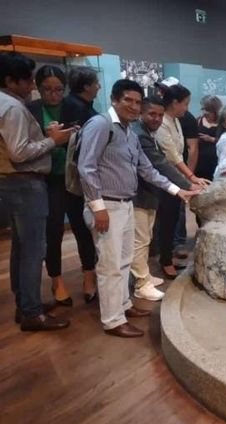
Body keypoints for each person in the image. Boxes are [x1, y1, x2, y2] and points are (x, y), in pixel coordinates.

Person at [78, 79, 201, 338]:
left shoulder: (129, 133)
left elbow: (147, 170)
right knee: (110, 265)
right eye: (128, 100)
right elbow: (86, 167)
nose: (134, 107)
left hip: (125, 204)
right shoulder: (101, 125)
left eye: (137, 102)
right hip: (107, 205)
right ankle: (113, 320)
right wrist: (98, 207)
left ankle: (123, 306)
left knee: (124, 261)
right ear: (114, 99)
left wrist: (177, 190)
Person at [0, 52, 74, 331]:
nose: (32, 85)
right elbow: (19, 152)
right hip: (25, 182)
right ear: (10, 80)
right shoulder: (13, 108)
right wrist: (53, 141)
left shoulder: (7, 104)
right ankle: (31, 312)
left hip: (13, 183)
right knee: (33, 249)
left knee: (21, 247)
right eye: (28, 80)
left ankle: (25, 303)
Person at [27, 65, 99, 307]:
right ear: (38, 88)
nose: (53, 94)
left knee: (82, 227)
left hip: (75, 176)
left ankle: (89, 275)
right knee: (53, 230)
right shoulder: (31, 110)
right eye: (47, 89)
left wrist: (71, 137)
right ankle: (56, 280)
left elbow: (91, 141)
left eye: (58, 89)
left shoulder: (76, 107)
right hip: (47, 178)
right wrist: (50, 139)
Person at [131, 96, 201, 300]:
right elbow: (159, 164)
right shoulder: (140, 134)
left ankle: (143, 275)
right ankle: (141, 284)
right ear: (141, 113)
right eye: (151, 114)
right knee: (140, 240)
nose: (156, 118)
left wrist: (183, 184)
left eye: (159, 115)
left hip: (151, 190)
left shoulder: (148, 131)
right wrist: (187, 184)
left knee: (145, 237)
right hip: (137, 194)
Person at [155, 84, 209, 279]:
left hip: (175, 176)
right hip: (164, 177)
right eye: (185, 103)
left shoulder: (176, 120)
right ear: (174, 102)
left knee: (172, 220)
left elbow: (180, 151)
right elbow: (172, 155)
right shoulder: (163, 122)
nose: (186, 107)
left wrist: (188, 177)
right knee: (166, 220)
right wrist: (191, 177)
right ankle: (165, 261)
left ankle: (167, 257)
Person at [195, 95, 222, 181]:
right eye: (203, 109)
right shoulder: (198, 121)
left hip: (216, 163)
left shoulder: (222, 124)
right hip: (199, 164)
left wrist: (212, 139)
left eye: (208, 110)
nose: (205, 113)